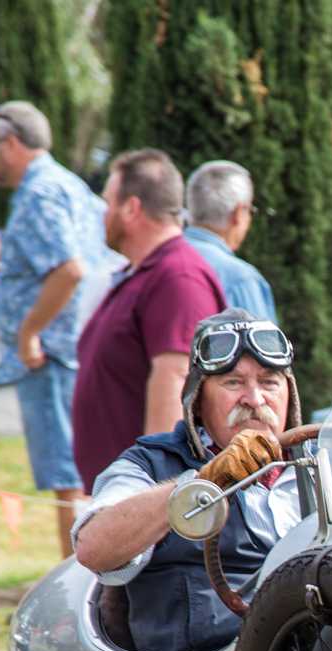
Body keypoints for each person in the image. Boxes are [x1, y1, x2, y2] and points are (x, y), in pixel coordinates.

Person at [73, 311, 304, 651]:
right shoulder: (150, 464)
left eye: (269, 382)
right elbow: (93, 548)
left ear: (289, 395)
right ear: (197, 400)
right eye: (233, 383)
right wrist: (203, 483)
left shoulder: (325, 461)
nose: (254, 399)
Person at [0, 100, 109, 557]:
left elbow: (69, 270)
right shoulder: (67, 184)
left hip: (53, 353)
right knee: (80, 473)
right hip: (75, 347)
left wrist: (29, 331)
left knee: (68, 478)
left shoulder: (39, 193)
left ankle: (75, 592)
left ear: (11, 144)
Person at [73, 149, 226, 490]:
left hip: (141, 501)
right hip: (118, 496)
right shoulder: (145, 270)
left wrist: (150, 491)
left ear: (132, 208)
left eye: (108, 202)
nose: (103, 213)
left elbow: (175, 381)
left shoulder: (178, 277)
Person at [184, 160, 278, 321]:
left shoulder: (155, 259)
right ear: (239, 213)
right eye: (250, 211)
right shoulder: (240, 280)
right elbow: (262, 344)